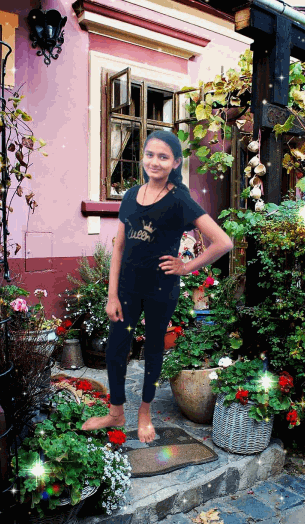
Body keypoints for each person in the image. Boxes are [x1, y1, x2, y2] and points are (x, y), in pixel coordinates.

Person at [81, 130, 233, 443]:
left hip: (161, 289)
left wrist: (186, 266)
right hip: (127, 287)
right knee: (116, 349)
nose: (154, 162)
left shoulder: (179, 200)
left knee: (153, 350)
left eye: (163, 157)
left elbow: (223, 242)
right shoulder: (129, 196)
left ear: (176, 162)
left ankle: (145, 412)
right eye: (150, 154)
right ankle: (116, 412)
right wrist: (112, 295)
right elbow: (119, 248)